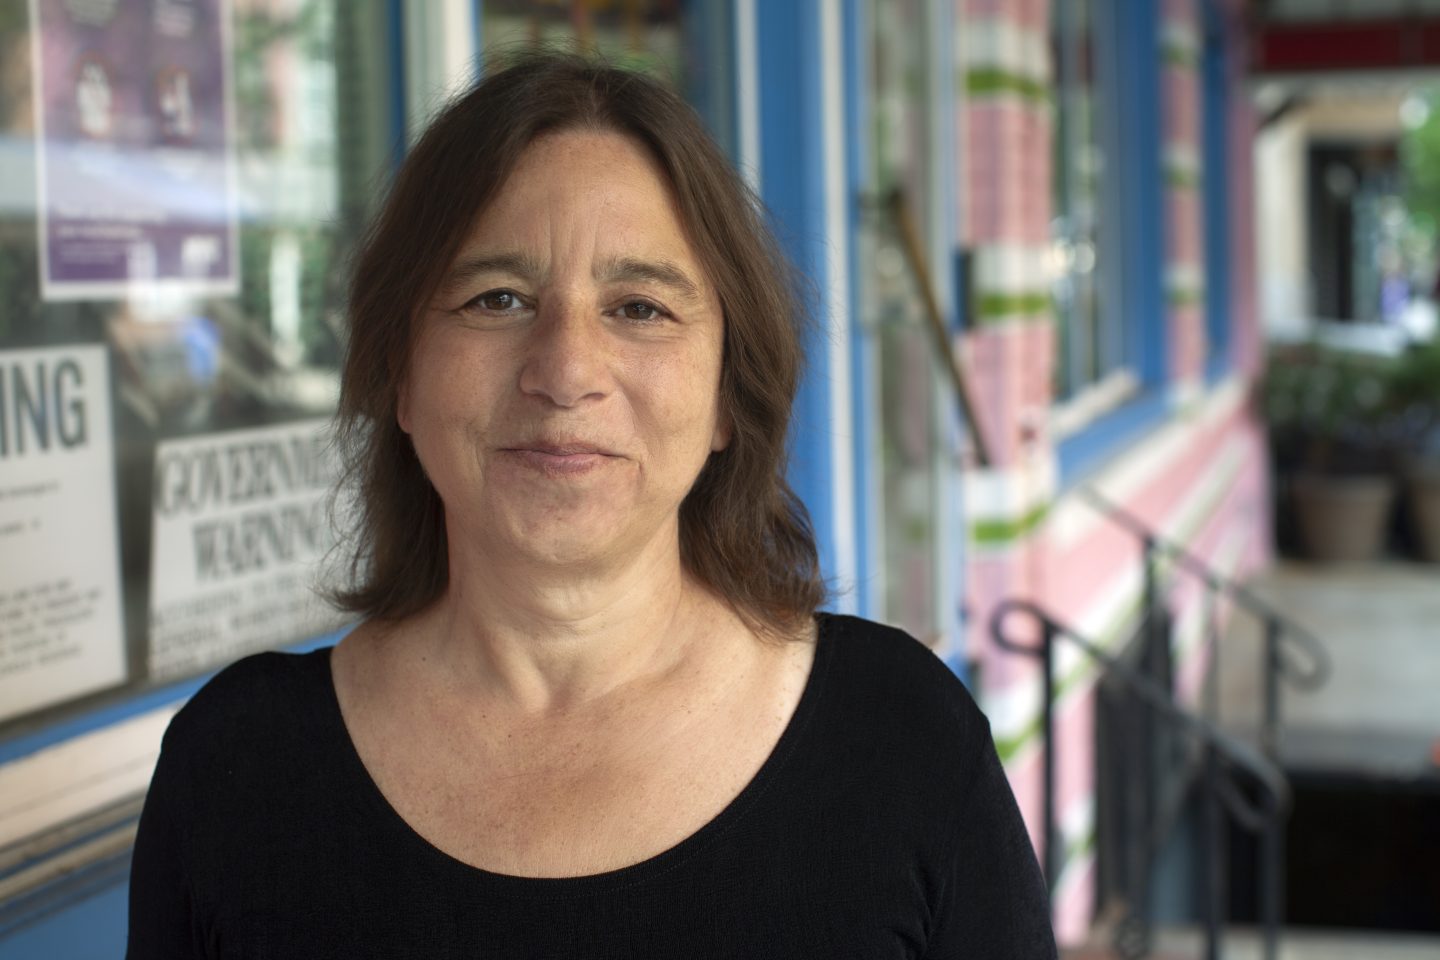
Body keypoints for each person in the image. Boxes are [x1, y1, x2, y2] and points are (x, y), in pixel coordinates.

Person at [126, 51, 1056, 958]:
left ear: (729, 393)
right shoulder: (236, 773)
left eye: (640, 308)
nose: (567, 372)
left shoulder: (903, 745)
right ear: (398, 377)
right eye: (496, 299)